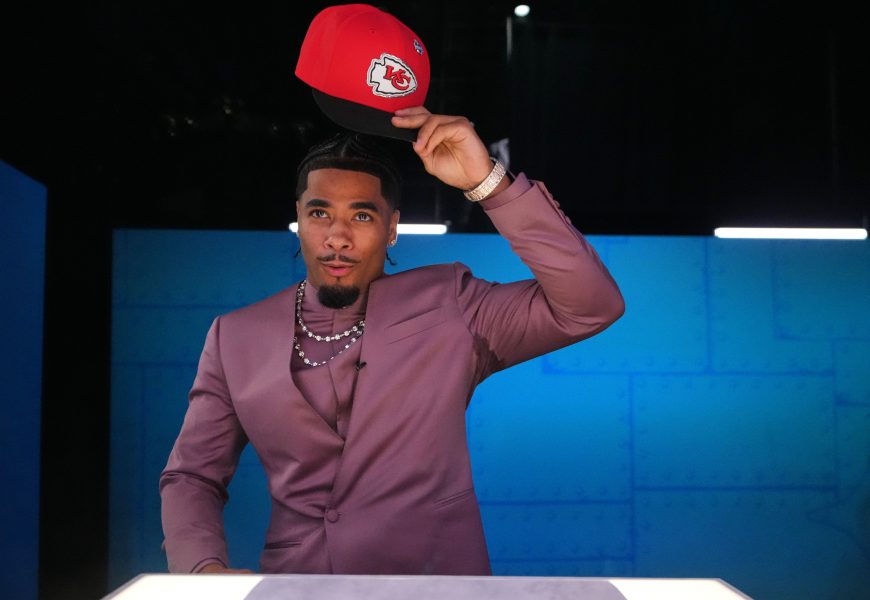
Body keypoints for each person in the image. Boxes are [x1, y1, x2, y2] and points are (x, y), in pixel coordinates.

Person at [159, 105, 625, 575]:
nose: (337, 237)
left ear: (392, 228)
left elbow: (591, 304)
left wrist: (486, 183)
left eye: (362, 216)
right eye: (320, 212)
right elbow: (192, 475)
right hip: (299, 586)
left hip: (436, 584)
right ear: (299, 217)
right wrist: (201, 571)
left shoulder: (452, 303)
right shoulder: (234, 336)